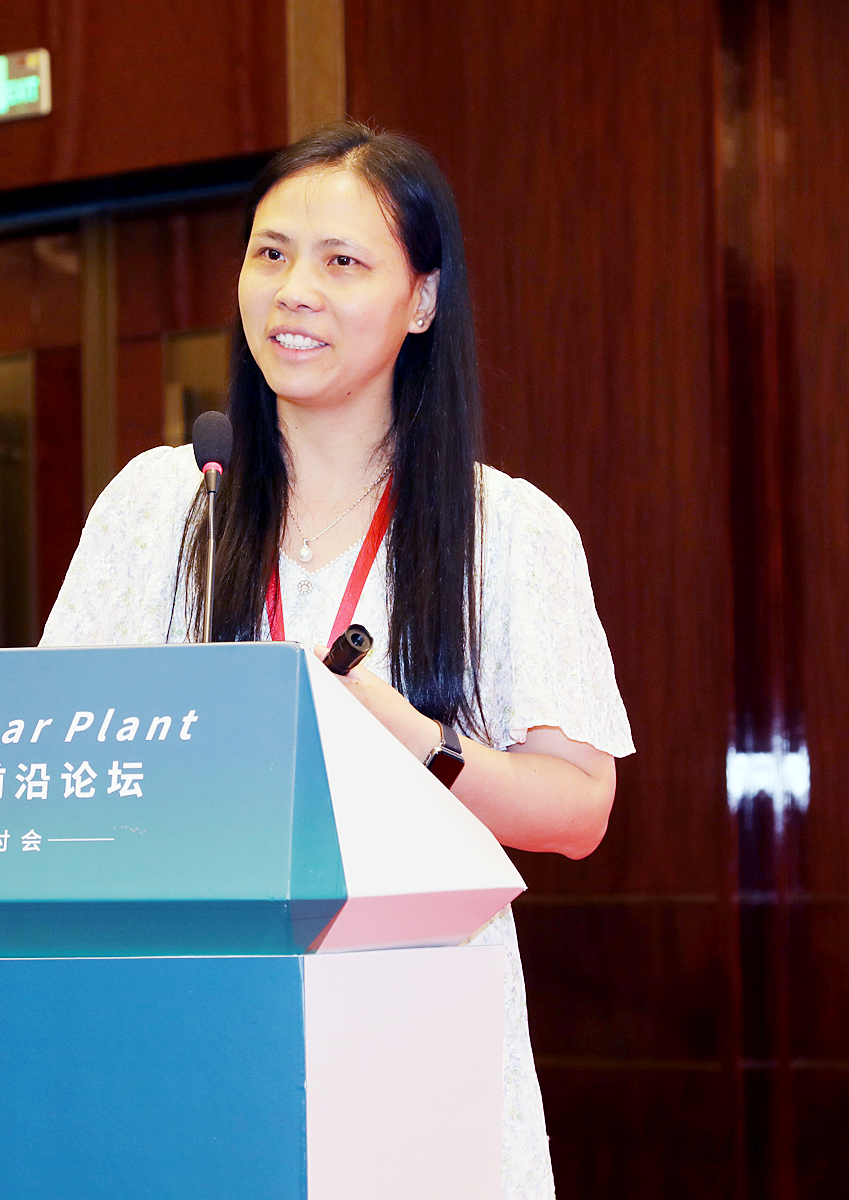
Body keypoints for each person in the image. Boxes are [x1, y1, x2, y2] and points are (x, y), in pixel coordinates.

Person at [41, 121, 634, 1200]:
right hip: (191, 1024)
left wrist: (406, 737)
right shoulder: (161, 506)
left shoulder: (507, 530)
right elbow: (57, 760)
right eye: (270, 254)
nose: (294, 291)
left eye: (342, 261)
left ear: (422, 300)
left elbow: (579, 810)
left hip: (420, 1038)